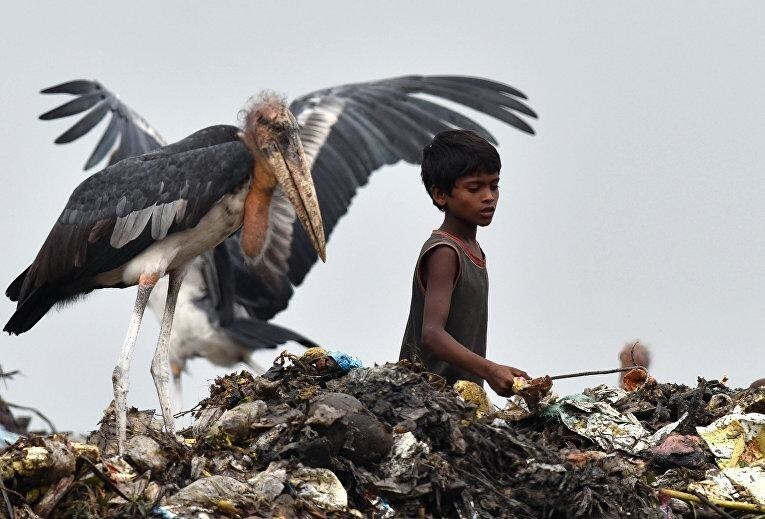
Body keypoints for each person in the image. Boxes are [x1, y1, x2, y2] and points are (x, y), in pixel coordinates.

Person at [399, 130, 529, 396]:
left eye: (494, 186)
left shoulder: (474, 251)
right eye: (474, 188)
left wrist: (496, 371)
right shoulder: (445, 252)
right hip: (423, 400)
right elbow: (432, 335)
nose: (488, 197)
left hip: (457, 400)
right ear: (440, 195)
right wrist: (491, 370)